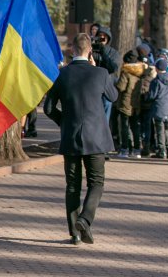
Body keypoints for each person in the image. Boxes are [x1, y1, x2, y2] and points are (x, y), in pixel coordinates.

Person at [44, 33, 118, 246]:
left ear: (72, 51)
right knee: (96, 182)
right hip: (96, 139)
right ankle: (85, 219)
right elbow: (113, 97)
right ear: (90, 52)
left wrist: (64, 122)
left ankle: (74, 233)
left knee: (72, 185)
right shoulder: (101, 73)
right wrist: (97, 67)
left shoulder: (62, 75)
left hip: (71, 138)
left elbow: (48, 108)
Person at [115, 50, 144, 158]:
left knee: (124, 127)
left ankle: (125, 149)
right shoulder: (140, 72)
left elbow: (120, 87)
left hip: (125, 104)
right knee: (135, 127)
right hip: (136, 103)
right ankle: (137, 150)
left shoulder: (126, 72)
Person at [148, 59, 168, 159]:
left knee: (160, 130)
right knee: (165, 129)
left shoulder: (156, 81)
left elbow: (152, 95)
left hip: (158, 107)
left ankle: (161, 150)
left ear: (156, 68)